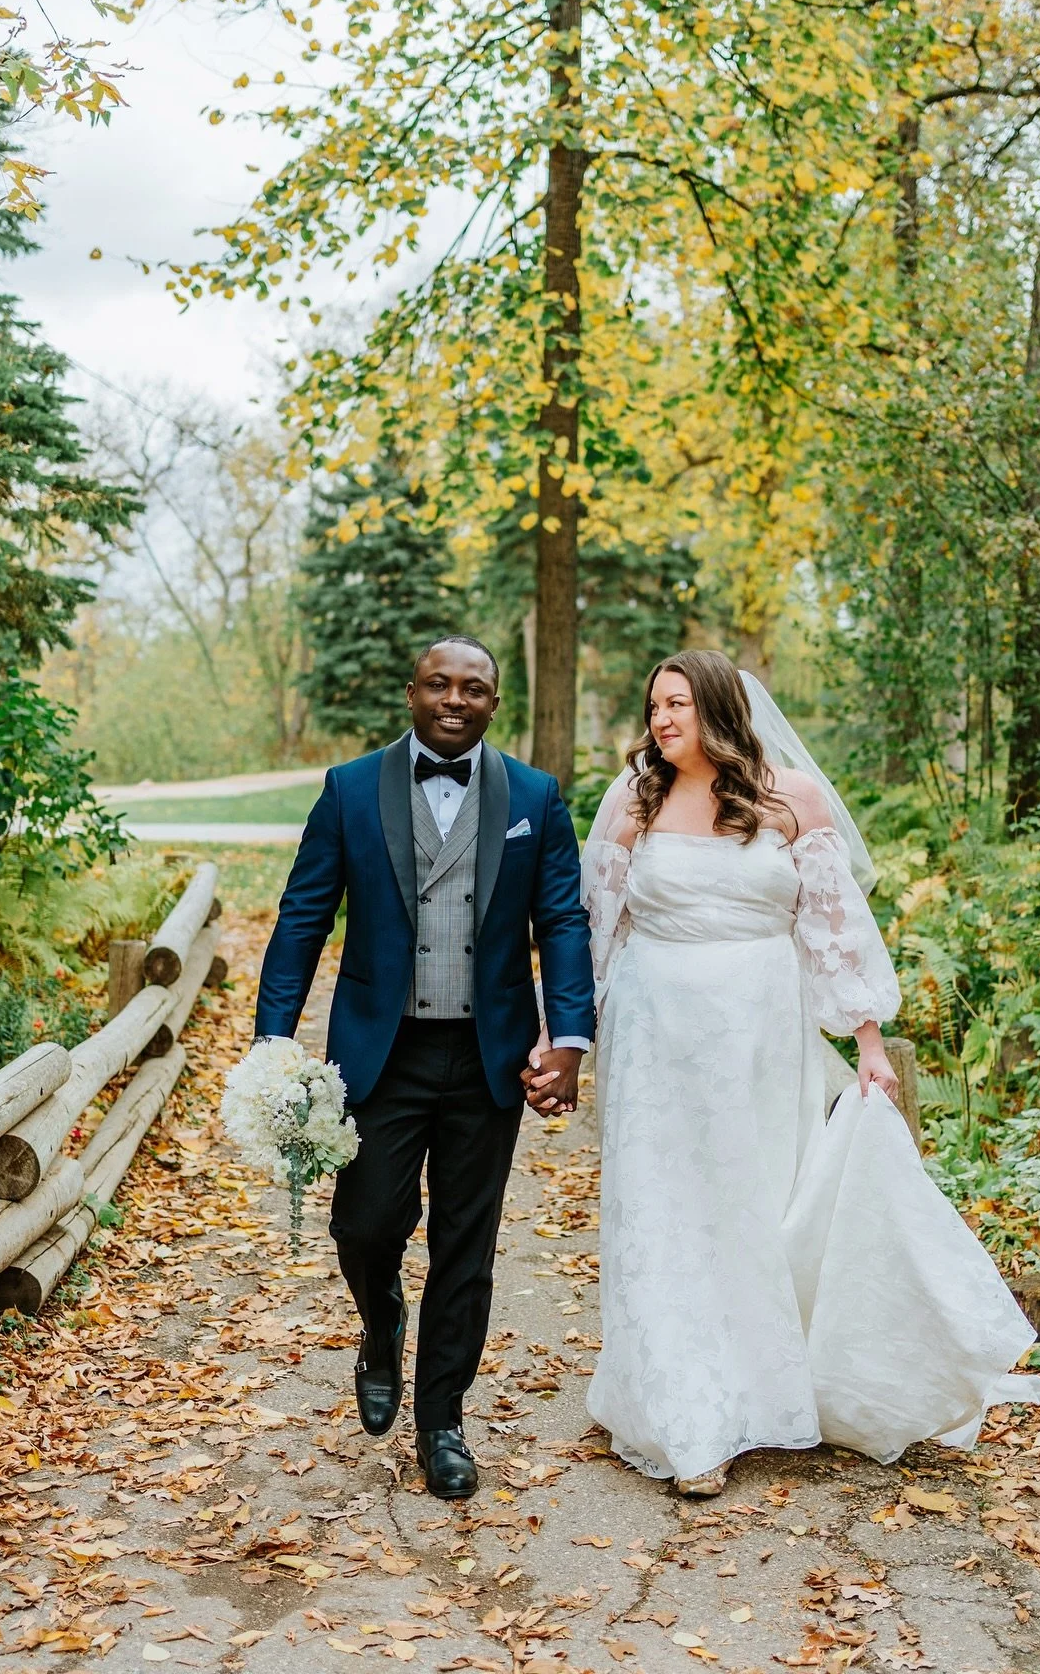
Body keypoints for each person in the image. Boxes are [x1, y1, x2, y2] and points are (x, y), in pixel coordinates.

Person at [528, 649, 1040, 1496]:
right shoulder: (635, 799)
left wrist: (868, 1042)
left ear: (719, 708)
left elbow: (834, 929)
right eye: (654, 706)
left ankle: (767, 1386)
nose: (661, 719)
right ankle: (688, 1417)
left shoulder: (791, 799)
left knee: (755, 1208)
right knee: (664, 1211)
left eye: (678, 704)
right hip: (656, 1035)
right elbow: (593, 930)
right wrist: (563, 1037)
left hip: (761, 1031)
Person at [253, 635, 595, 1499]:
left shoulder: (536, 797)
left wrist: (569, 1038)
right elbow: (302, 918)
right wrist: (273, 1042)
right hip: (383, 1051)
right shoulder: (349, 789)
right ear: (411, 693)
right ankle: (381, 1328)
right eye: (438, 684)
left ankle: (443, 1420)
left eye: (472, 688)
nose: (454, 699)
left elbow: (562, 921)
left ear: (493, 703)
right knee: (365, 1226)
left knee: (464, 1248)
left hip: (489, 1055)